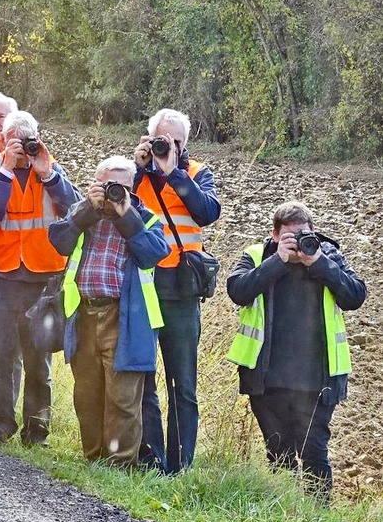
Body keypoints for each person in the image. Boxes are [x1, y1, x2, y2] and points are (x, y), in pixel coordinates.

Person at [226, 202, 366, 499]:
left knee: (314, 451)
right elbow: (237, 291)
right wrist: (277, 260)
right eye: (291, 236)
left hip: (317, 378)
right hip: (267, 377)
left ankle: (318, 518)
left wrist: (317, 262)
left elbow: (355, 295)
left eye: (304, 234)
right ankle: (283, 513)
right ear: (275, 235)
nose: (299, 241)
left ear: (313, 231)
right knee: (279, 453)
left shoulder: (327, 255)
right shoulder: (257, 256)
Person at [49, 156, 169, 466]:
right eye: (106, 185)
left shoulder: (146, 217)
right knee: (87, 395)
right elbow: (59, 241)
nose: (113, 192)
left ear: (133, 188)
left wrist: (125, 215)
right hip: (85, 313)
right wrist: (87, 210)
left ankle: (119, 466)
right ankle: (94, 459)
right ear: (95, 184)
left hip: (125, 317)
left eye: (121, 187)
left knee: (122, 399)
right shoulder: (84, 212)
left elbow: (153, 254)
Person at [0, 111, 80, 443]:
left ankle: (38, 431)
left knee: (39, 362)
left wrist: (47, 173)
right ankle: (0, 422)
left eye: (27, 140)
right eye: (13, 141)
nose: (22, 149)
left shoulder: (49, 168)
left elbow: (76, 209)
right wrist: (7, 169)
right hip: (0, 279)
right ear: (3, 142)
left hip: (42, 280)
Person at [131, 109, 223, 473]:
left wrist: (173, 172)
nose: (165, 146)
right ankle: (150, 458)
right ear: (148, 137)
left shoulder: (197, 173)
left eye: (174, 141)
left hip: (182, 289)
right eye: (160, 139)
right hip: (143, 283)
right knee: (142, 376)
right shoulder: (135, 172)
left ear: (185, 144)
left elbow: (207, 212)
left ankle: (179, 464)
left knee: (182, 383)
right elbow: (116, 202)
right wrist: (140, 167)